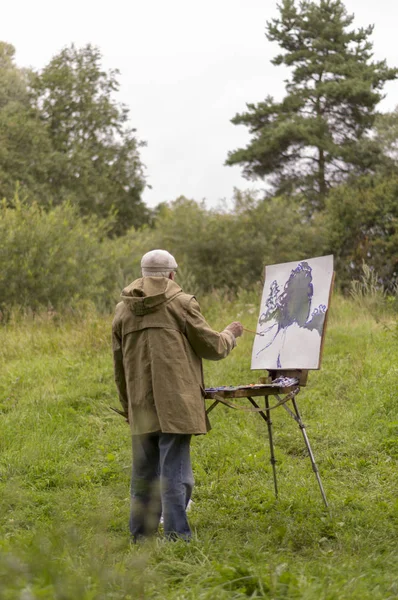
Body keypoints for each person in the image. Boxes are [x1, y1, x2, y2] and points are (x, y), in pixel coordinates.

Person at [112, 249, 243, 541]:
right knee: (175, 474)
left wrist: (127, 407)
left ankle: (141, 538)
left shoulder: (123, 310)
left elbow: (118, 365)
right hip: (177, 404)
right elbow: (213, 347)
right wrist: (231, 333)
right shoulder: (182, 304)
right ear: (172, 275)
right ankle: (177, 538)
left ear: (144, 275)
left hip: (140, 404)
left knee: (143, 474)